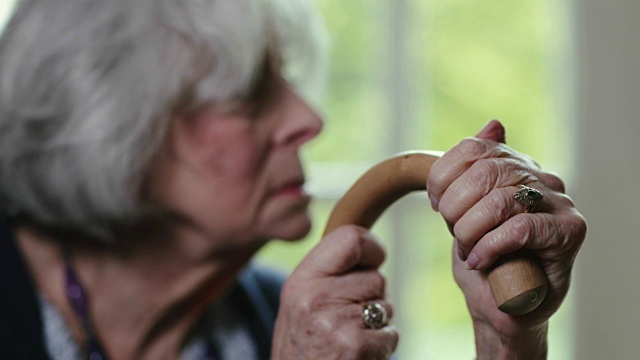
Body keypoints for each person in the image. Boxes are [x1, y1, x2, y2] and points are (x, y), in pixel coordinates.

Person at [0, 0, 586, 359]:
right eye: (249, 92)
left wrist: (508, 340)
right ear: (112, 126)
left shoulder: (299, 323)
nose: (310, 119)